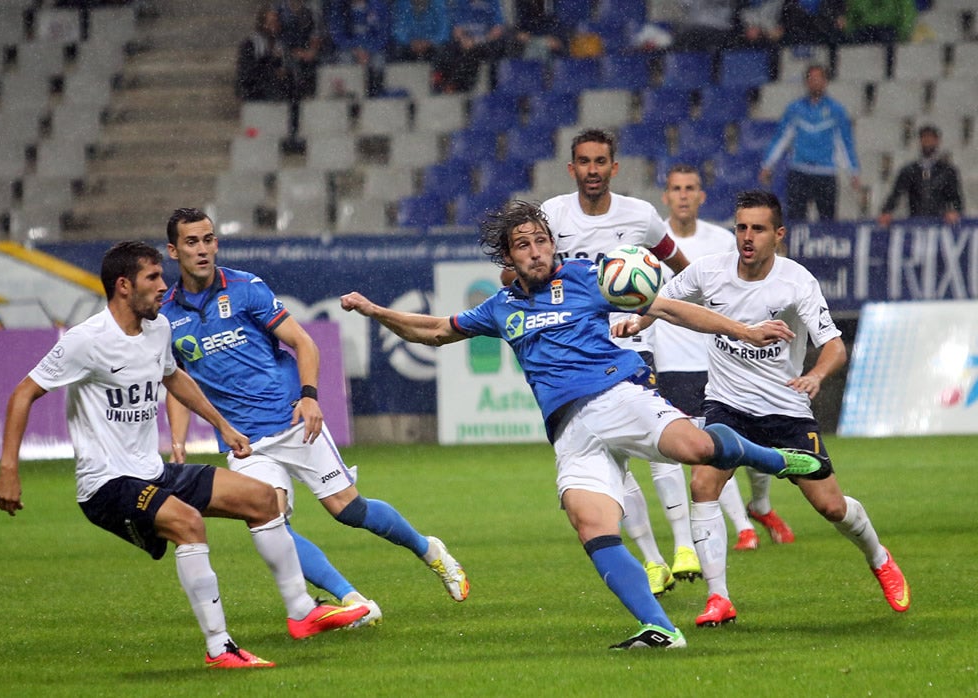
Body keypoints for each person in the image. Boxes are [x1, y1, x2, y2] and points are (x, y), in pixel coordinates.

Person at [341, 199, 827, 649]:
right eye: (523, 245)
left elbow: (668, 308)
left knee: (698, 449)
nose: (536, 252)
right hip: (570, 431)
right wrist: (374, 311)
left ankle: (777, 459)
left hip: (618, 395)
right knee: (589, 523)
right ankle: (660, 627)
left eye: (541, 240)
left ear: (553, 243)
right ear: (508, 258)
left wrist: (744, 329)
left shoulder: (588, 277)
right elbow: (433, 331)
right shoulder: (501, 306)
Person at [0, 241, 370, 670]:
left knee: (263, 500)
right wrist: (9, 470)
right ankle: (219, 649)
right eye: (152, 278)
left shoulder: (157, 331)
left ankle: (302, 612)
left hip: (152, 471)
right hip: (106, 484)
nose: (162, 286)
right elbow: (23, 394)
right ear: (123, 286)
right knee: (188, 524)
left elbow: (176, 379)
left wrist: (224, 427)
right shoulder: (86, 341)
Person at [618, 189, 910, 627]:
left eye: (757, 229)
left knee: (831, 507)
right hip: (726, 406)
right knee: (703, 483)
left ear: (779, 235)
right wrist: (638, 319)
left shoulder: (796, 282)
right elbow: (665, 302)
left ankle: (879, 555)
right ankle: (719, 598)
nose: (747, 237)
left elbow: (833, 345)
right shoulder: (710, 271)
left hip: (785, 411)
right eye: (741, 227)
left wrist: (815, 375)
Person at [160, 208, 470, 616]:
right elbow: (177, 381)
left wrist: (309, 397)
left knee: (349, 510)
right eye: (192, 242)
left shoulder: (245, 288)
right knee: (270, 525)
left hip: (291, 420)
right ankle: (351, 601)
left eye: (208, 239)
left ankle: (428, 549)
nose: (202, 250)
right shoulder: (166, 315)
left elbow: (304, 343)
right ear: (173, 250)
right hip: (244, 442)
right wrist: (178, 441)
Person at [540, 128, 700, 597]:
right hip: (579, 352)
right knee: (616, 458)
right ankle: (652, 560)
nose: (592, 170)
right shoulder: (552, 214)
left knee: (661, 432)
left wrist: (653, 305)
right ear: (572, 169)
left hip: (632, 344)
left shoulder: (640, 216)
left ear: (615, 167)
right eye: (584, 162)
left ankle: (685, 545)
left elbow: (681, 268)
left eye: (601, 161)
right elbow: (522, 269)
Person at [653, 164, 792, 552]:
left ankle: (760, 504)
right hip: (676, 364)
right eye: (676, 188)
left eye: (690, 188)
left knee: (753, 437)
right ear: (666, 197)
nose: (683, 195)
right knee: (712, 448)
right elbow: (649, 303)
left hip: (728, 358)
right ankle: (740, 525)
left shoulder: (723, 241)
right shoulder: (652, 242)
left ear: (702, 196)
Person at [759, 64, 861, 222]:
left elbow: (845, 142)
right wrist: (767, 165)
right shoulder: (795, 109)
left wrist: (852, 171)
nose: (815, 82)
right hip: (799, 172)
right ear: (806, 82)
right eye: (811, 79)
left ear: (826, 81)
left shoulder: (836, 110)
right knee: (795, 221)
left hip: (825, 173)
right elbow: (780, 139)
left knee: (827, 223)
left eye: (819, 79)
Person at [877, 124, 964, 228]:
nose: (927, 141)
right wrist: (887, 211)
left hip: (940, 223)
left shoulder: (947, 171)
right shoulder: (909, 170)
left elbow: (955, 198)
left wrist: (954, 211)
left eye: (931, 138)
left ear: (937, 141)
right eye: (924, 138)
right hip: (915, 221)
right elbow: (896, 194)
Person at [437, 0, 511, 93]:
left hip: (486, 42)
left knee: (479, 52)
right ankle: (444, 84)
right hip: (465, 42)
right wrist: (463, 39)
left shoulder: (493, 2)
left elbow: (497, 29)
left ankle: (463, 87)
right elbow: (456, 28)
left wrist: (477, 41)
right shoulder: (460, 2)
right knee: (445, 49)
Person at [328, 0, 391, 97]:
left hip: (373, 50)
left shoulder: (378, 6)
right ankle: (351, 95)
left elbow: (384, 35)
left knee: (378, 61)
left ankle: (375, 95)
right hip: (349, 50)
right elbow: (337, 35)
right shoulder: (340, 8)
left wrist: (368, 49)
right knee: (345, 60)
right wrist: (355, 48)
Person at [236, 4, 292, 101]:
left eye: (276, 22)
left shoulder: (281, 45)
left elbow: (286, 67)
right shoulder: (250, 44)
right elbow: (247, 71)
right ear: (262, 24)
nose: (274, 26)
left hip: (278, 93)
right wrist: (271, 64)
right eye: (270, 22)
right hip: (256, 92)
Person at [276, 0, 327, 99]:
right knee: (284, 66)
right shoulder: (280, 9)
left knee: (314, 62)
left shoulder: (312, 9)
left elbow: (317, 33)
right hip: (287, 52)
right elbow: (277, 38)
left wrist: (310, 51)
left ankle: (307, 96)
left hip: (306, 52)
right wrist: (290, 52)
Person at [389, 0, 451, 65]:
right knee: (396, 51)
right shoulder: (403, 3)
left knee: (444, 52)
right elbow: (398, 28)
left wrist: (429, 42)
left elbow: (444, 29)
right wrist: (410, 42)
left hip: (432, 46)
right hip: (408, 47)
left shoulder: (438, 3)